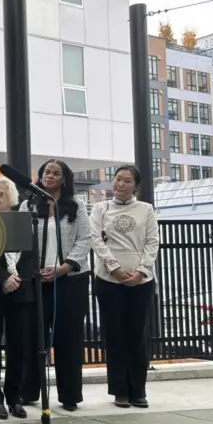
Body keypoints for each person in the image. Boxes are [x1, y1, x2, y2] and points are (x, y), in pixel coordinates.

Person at [19, 159, 92, 412]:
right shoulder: (28, 205)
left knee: (69, 339)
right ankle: (28, 392)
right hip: (36, 281)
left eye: (55, 173)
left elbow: (85, 240)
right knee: (33, 338)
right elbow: (19, 241)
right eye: (45, 172)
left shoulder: (76, 206)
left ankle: (69, 396)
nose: (49, 176)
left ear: (64, 179)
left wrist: (63, 268)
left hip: (70, 282)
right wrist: (32, 270)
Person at [89, 164, 159, 409]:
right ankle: (119, 390)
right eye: (117, 179)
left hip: (141, 282)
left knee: (137, 335)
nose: (120, 184)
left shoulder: (146, 209)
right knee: (115, 334)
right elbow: (96, 240)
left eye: (127, 181)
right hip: (109, 280)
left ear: (136, 186)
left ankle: (138, 389)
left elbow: (152, 242)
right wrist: (114, 268)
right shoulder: (99, 208)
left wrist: (141, 272)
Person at [0, 177, 36, 420]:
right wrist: (3, 278)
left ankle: (14, 397)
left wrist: (18, 279)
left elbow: (31, 255)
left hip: (20, 291)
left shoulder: (22, 222)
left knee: (19, 347)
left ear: (11, 199)